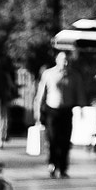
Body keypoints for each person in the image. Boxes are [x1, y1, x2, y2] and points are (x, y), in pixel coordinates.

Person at [34, 49, 78, 178]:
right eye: (62, 59)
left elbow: (78, 93)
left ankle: (63, 167)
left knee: (65, 140)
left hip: (66, 110)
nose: (65, 62)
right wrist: (37, 112)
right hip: (52, 110)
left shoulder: (73, 75)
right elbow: (40, 94)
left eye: (67, 60)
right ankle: (52, 163)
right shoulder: (48, 74)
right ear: (57, 60)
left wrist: (80, 109)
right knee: (53, 139)